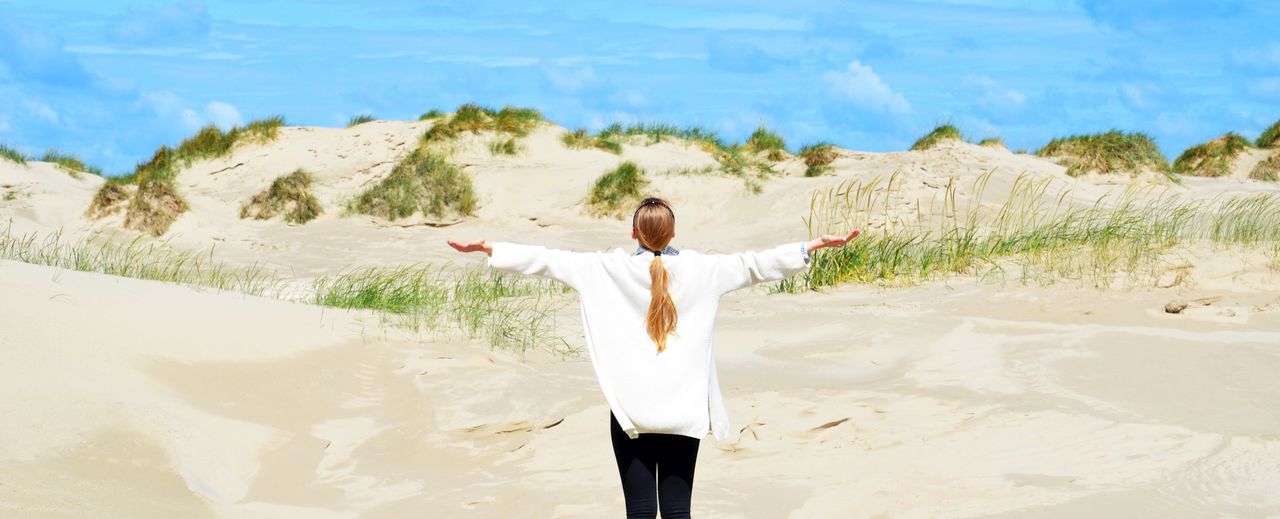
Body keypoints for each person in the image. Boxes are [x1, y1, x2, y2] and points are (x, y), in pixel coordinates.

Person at [446, 196, 860, 518]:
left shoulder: (604, 268)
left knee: (640, 512)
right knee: (678, 513)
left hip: (632, 414)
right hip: (685, 412)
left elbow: (547, 260)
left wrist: (491, 248)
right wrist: (812, 246)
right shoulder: (704, 269)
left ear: (633, 234)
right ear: (674, 232)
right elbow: (756, 264)